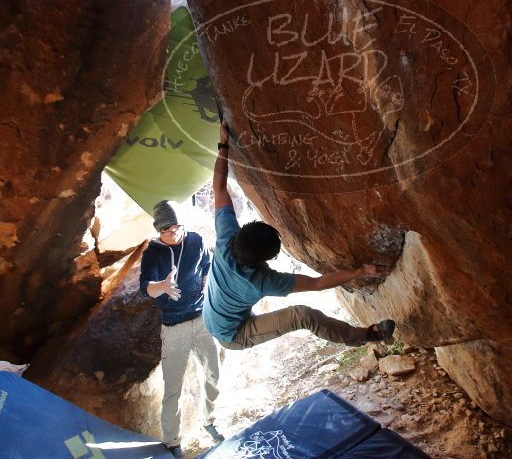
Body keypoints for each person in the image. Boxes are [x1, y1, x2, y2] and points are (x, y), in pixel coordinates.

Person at [203, 122, 396, 351]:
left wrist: (223, 145)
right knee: (303, 316)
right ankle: (367, 336)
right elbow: (317, 284)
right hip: (232, 333)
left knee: (289, 312)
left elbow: (219, 188)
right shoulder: (261, 281)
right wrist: (362, 271)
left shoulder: (226, 238)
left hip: (217, 313)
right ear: (264, 261)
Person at [139, 200, 224, 456]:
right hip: (174, 326)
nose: (172, 233)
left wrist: (208, 282)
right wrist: (162, 287)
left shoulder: (196, 240)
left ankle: (209, 421)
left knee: (213, 375)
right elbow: (146, 288)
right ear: (158, 230)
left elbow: (208, 265)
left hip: (202, 319)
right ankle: (173, 441)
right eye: (166, 230)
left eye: (176, 227)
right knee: (172, 388)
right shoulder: (153, 253)